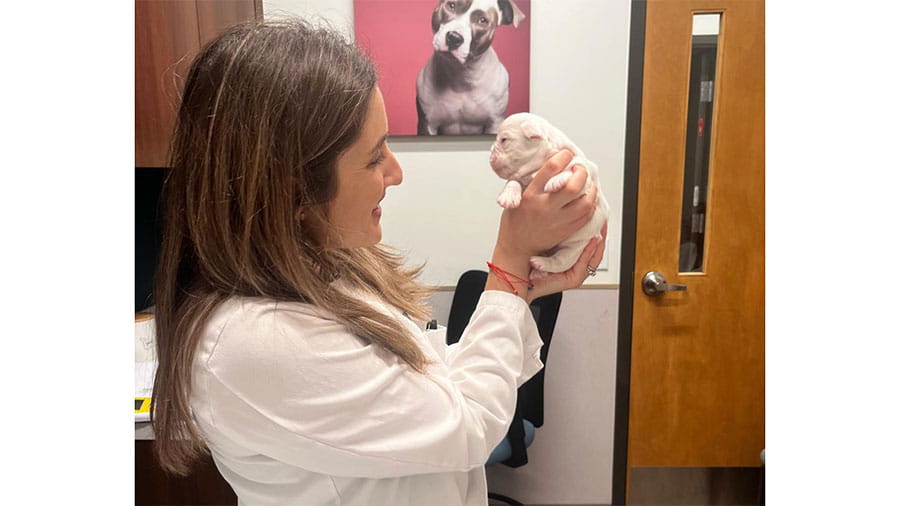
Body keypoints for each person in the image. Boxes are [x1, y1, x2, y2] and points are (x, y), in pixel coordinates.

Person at [151, 18, 607, 506]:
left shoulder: (332, 271)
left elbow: (429, 386)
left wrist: (525, 287)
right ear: (293, 185)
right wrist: (510, 268)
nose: (396, 172)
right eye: (373, 158)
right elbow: (467, 427)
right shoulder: (252, 341)